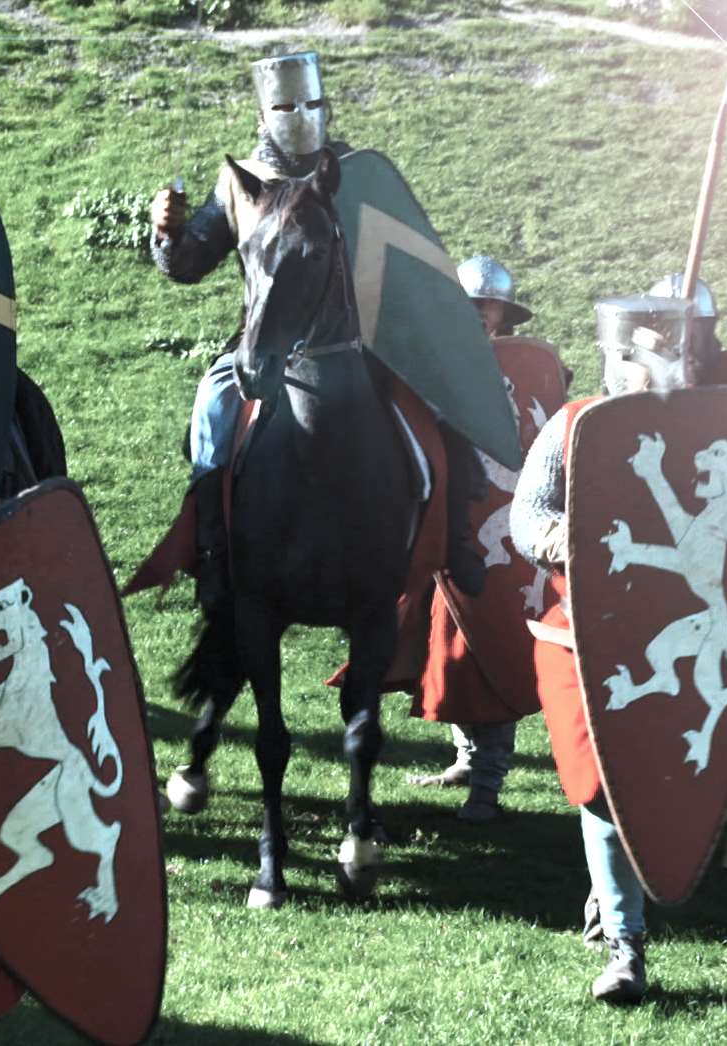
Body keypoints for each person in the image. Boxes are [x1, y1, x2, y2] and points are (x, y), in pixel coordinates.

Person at [148, 50, 486, 611]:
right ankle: (213, 553)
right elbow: (189, 264)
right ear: (261, 112)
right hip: (267, 346)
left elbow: (405, 259)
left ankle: (457, 538)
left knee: (437, 404)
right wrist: (166, 233)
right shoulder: (242, 184)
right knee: (210, 411)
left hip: (363, 341)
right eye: (284, 104)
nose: (300, 114)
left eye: (311, 101)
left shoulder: (355, 172)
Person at [509, 295, 700, 1004]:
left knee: (661, 779)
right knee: (597, 785)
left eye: (664, 348)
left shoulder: (704, 428)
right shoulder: (571, 425)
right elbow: (527, 518)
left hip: (676, 632)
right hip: (581, 635)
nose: (652, 366)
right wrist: (570, 544)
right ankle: (627, 946)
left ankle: (610, 895)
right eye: (639, 350)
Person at [408, 254, 548, 822]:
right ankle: (466, 757)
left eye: (487, 311)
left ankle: (487, 785)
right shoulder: (440, 366)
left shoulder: (526, 367)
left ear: (504, 316)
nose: (479, 320)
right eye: (469, 310)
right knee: (450, 645)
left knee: (496, 646)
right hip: (449, 523)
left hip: (504, 529)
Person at [645, 273, 727, 388]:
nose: (683, 344)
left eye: (691, 334)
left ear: (710, 327)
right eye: (671, 333)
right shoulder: (642, 383)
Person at [457, 255, 532, 340]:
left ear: (503, 312)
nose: (483, 310)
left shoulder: (508, 353)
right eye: (476, 301)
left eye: (492, 301)